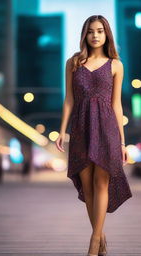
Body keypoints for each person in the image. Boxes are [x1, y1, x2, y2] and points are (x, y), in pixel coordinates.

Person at [55, 15, 133, 256]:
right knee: (88, 187)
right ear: (85, 35)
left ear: (106, 34)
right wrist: (61, 130)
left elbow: (117, 104)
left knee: (102, 183)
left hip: (107, 127)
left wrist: (122, 140)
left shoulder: (116, 65)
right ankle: (100, 236)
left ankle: (93, 243)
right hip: (80, 127)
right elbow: (69, 99)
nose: (96, 35)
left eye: (100, 31)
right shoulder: (73, 63)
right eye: (91, 31)